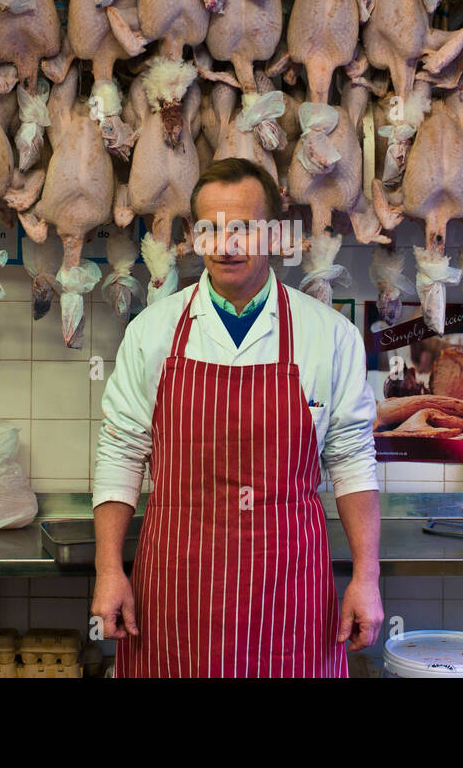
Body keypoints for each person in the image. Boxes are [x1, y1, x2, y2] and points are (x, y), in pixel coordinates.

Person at [91, 158, 383, 677]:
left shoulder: (328, 334)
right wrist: (109, 569)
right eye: (211, 229)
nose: (226, 244)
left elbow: (352, 457)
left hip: (289, 588)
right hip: (178, 586)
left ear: (273, 232)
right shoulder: (153, 331)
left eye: (243, 229)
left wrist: (367, 576)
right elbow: (121, 450)